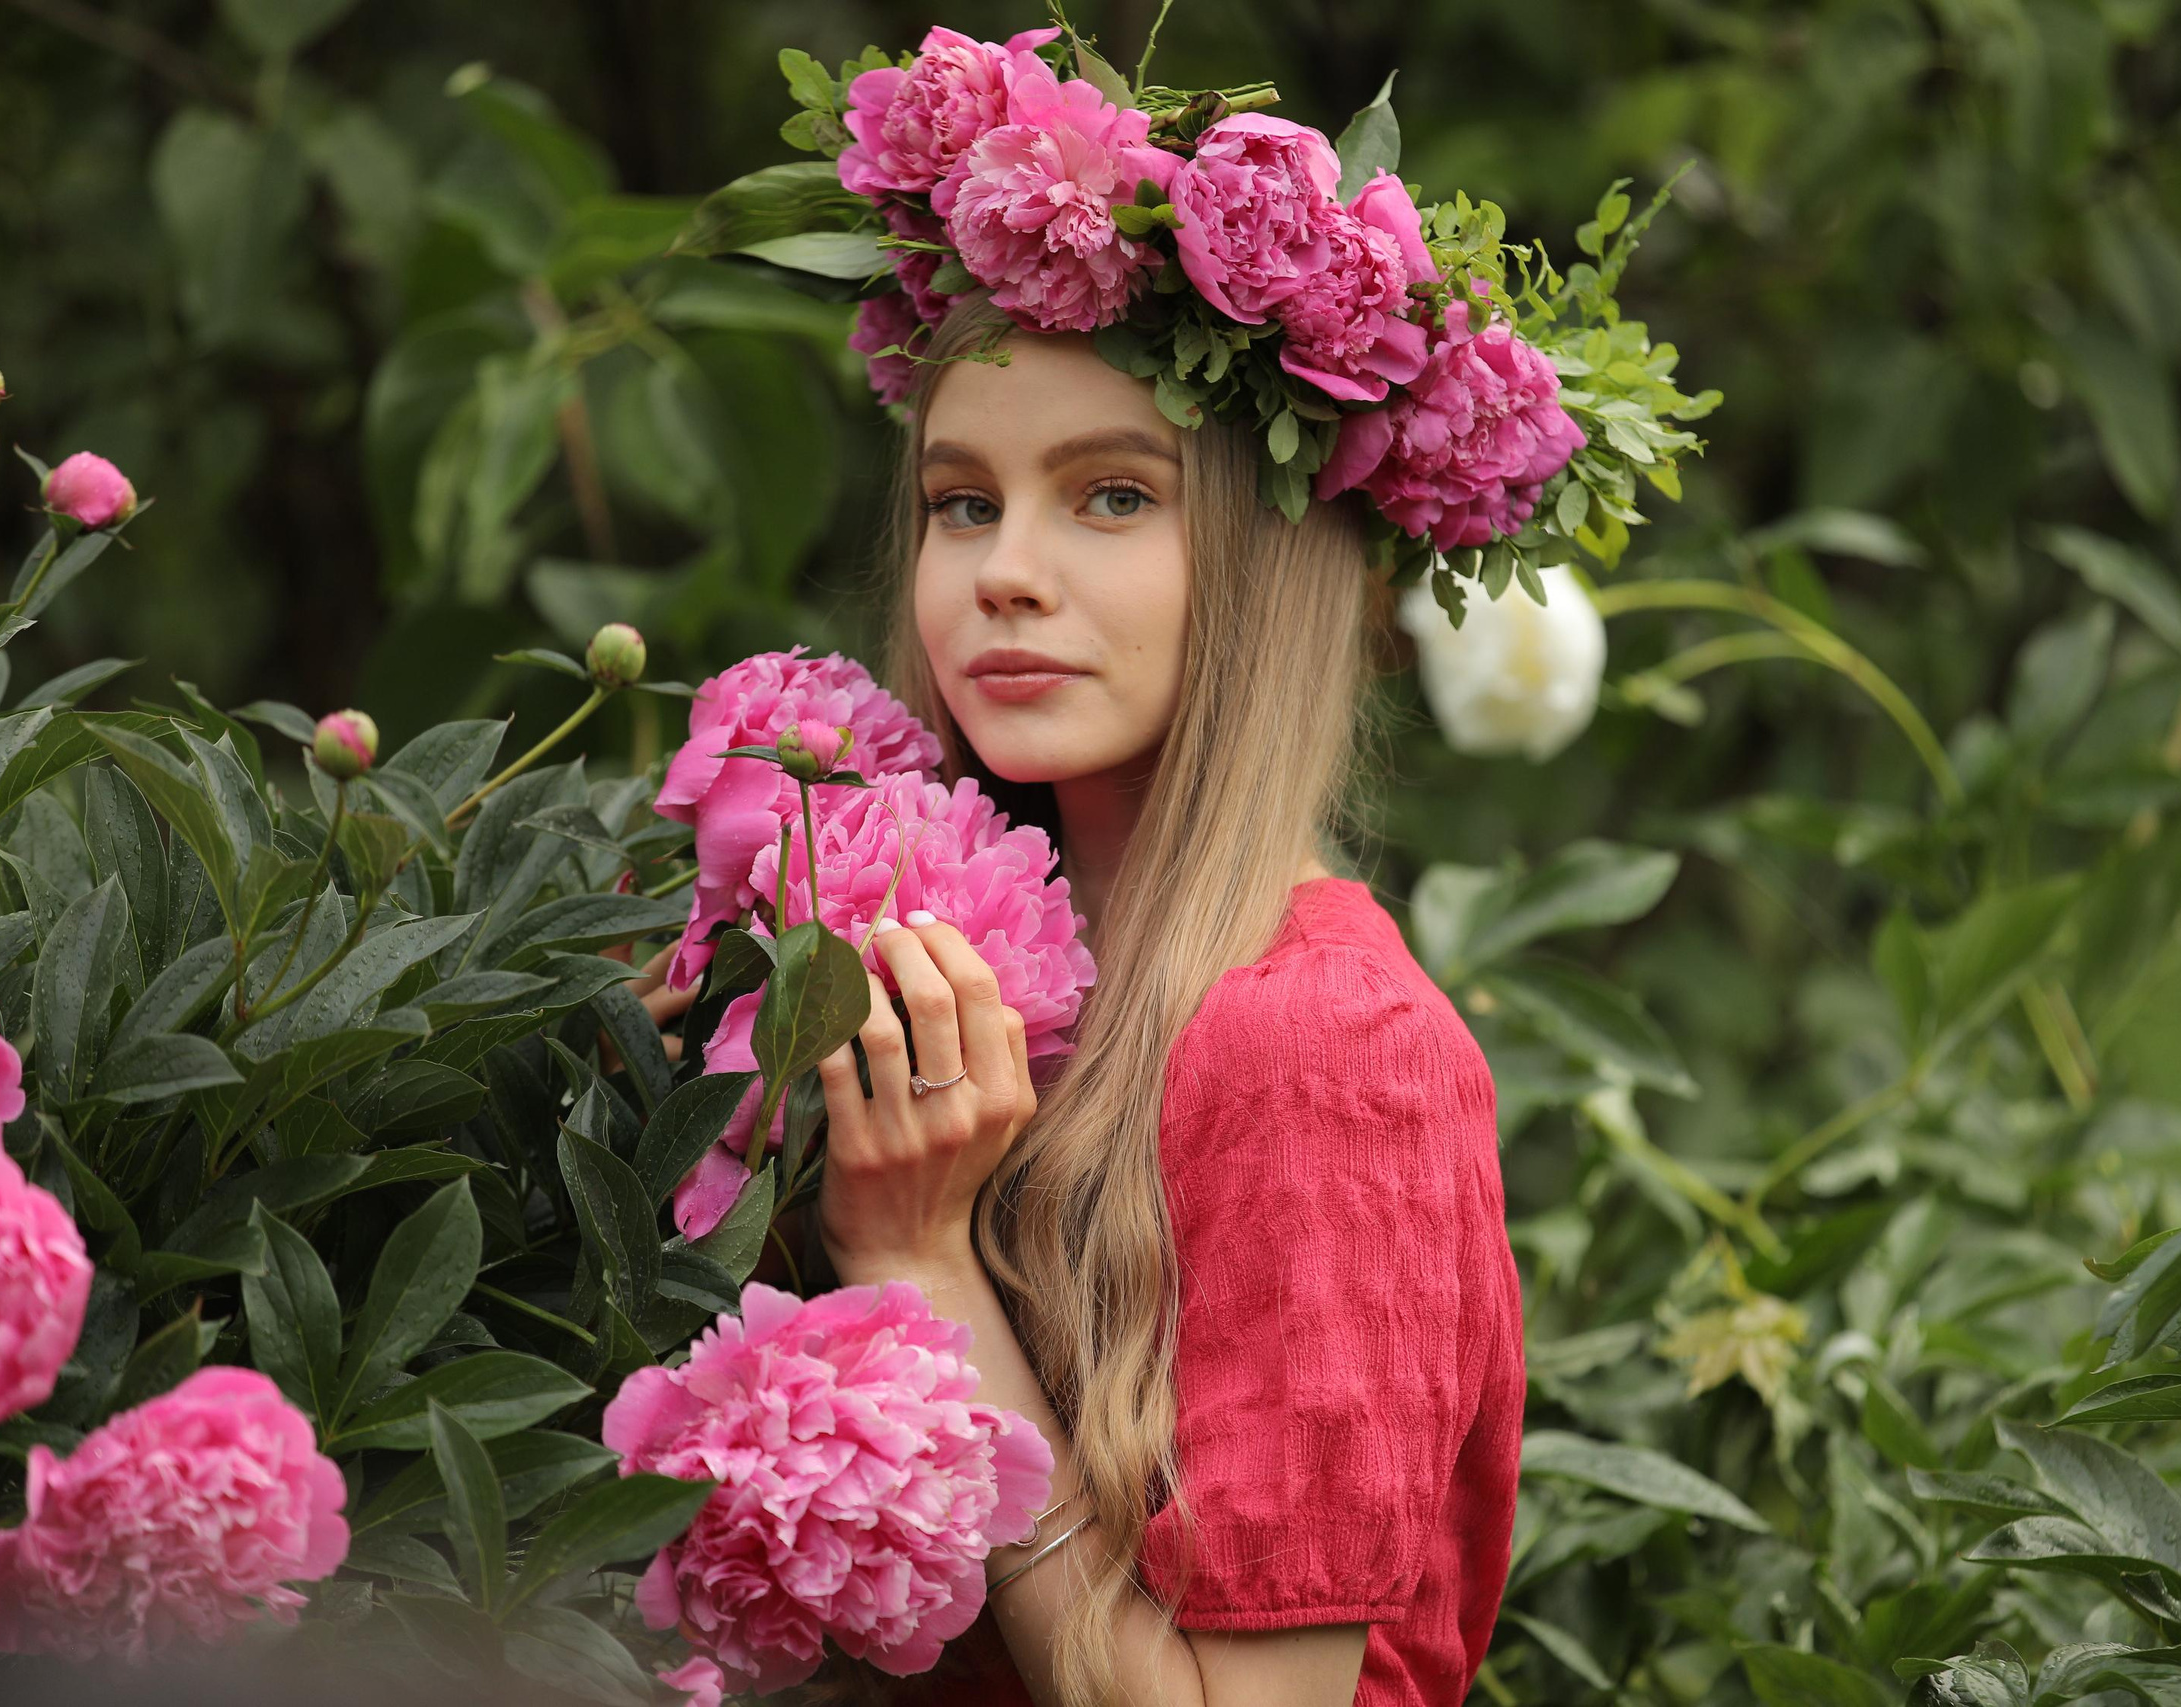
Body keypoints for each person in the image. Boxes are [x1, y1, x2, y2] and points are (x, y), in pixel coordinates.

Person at [633, 289, 1523, 1707]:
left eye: (1113, 495)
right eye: (962, 502)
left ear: (1275, 554)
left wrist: (923, 1268)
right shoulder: (912, 966)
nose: (1005, 571)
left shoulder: (1317, 1041)